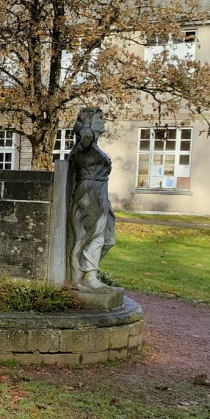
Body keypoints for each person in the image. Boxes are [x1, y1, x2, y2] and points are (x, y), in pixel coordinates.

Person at [68, 107, 116, 290]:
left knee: (109, 239)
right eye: (100, 117)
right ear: (89, 122)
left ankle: (88, 270)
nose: (104, 121)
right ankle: (88, 276)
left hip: (101, 191)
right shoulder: (84, 146)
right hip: (90, 191)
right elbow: (86, 136)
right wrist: (80, 126)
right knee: (93, 234)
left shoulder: (92, 146)